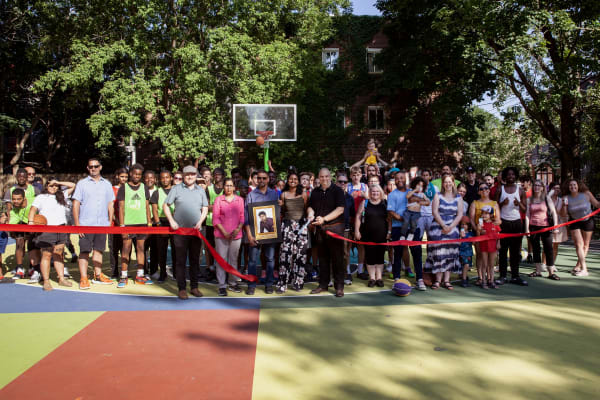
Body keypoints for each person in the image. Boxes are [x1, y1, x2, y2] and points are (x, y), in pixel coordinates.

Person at [163, 165, 209, 299]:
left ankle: (194, 287)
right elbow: (166, 205)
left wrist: (200, 222)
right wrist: (171, 221)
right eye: (187, 174)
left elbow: (205, 207)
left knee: (195, 261)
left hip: (195, 232)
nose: (190, 177)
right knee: (180, 261)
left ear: (196, 176)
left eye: (193, 174)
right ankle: (181, 288)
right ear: (183, 176)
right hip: (180, 233)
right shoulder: (176, 189)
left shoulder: (200, 190)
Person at [72, 158, 115, 289]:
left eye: (96, 166)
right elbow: (76, 204)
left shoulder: (107, 184)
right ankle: (84, 278)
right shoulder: (82, 184)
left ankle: (97, 275)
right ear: (87, 168)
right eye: (91, 166)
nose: (93, 168)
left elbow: (110, 204)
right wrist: (78, 225)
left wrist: (109, 222)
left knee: (99, 251)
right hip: (86, 224)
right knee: (84, 251)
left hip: (102, 224)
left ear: (100, 167)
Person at [27, 178, 75, 291]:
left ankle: (61, 278)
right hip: (47, 230)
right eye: (50, 185)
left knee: (59, 255)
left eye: (55, 186)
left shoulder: (62, 195)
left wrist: (58, 182)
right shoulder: (41, 197)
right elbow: (33, 210)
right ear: (46, 186)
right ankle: (46, 281)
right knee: (46, 255)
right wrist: (31, 223)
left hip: (61, 228)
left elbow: (73, 185)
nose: (53, 187)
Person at [307, 168, 346, 297]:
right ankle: (323, 285)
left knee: (338, 259)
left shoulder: (338, 191)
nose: (324, 179)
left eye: (326, 176)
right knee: (322, 259)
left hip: (335, 229)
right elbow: (310, 206)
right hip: (320, 230)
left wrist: (324, 219)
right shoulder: (315, 192)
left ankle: (339, 286)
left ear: (330, 177)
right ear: (318, 177)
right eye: (321, 177)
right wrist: (311, 214)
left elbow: (340, 209)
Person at [388, 171, 427, 290]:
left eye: (402, 178)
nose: (400, 180)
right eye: (397, 178)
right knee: (398, 253)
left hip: (413, 227)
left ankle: (420, 279)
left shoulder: (413, 192)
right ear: (394, 180)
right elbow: (391, 212)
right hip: (398, 227)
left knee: (417, 252)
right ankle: (397, 278)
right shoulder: (392, 195)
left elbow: (423, 203)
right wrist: (404, 219)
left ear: (406, 179)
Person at [244, 169, 279, 295]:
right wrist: (249, 234)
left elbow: (276, 214)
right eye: (259, 178)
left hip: (270, 232)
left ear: (268, 179)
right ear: (256, 179)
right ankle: (251, 284)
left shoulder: (274, 194)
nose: (262, 180)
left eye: (264, 178)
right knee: (252, 260)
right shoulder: (251, 195)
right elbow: (246, 217)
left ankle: (269, 284)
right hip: (255, 233)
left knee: (270, 258)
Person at [117, 163, 153, 287]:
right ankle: (123, 275)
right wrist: (122, 226)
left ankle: (140, 275)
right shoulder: (124, 188)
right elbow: (121, 208)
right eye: (135, 174)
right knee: (126, 249)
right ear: (130, 174)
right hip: (128, 224)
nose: (137, 176)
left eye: (139, 174)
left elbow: (147, 207)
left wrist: (149, 223)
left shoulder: (144, 187)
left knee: (141, 249)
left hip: (142, 223)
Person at [425, 174, 463, 290]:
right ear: (443, 184)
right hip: (438, 228)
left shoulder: (458, 197)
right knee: (438, 254)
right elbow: (435, 212)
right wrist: (443, 225)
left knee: (450, 254)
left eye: (449, 182)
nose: (448, 184)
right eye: (445, 182)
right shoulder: (438, 196)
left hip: (453, 229)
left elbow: (460, 214)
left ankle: (447, 281)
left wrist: (450, 227)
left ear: (453, 183)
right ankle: (437, 280)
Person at [494, 167, 528, 286]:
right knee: (503, 251)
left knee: (515, 251)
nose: (511, 176)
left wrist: (518, 204)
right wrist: (502, 203)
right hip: (503, 222)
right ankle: (503, 275)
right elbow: (495, 206)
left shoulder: (520, 190)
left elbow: (525, 209)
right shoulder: (500, 189)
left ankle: (515, 276)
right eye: (508, 174)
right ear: (504, 176)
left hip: (516, 223)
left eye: (513, 174)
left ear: (516, 176)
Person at [276, 173, 309, 293]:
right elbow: (283, 211)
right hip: (287, 226)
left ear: (298, 181)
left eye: (295, 179)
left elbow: (305, 210)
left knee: (300, 255)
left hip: (301, 226)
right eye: (291, 179)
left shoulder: (304, 194)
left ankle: (298, 282)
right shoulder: (283, 194)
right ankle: (282, 283)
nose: (293, 181)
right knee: (285, 255)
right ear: (287, 181)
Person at [213, 177, 245, 296]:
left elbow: (242, 216)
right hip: (221, 235)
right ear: (223, 187)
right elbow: (215, 218)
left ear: (234, 187)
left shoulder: (240, 200)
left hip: (236, 235)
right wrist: (224, 232)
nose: (229, 188)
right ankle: (222, 285)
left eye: (231, 185)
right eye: (226, 185)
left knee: (233, 260)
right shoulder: (218, 200)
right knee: (221, 260)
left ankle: (232, 283)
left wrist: (238, 229)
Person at [354, 184, 390, 287]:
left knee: (380, 256)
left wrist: (389, 232)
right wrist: (357, 231)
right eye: (373, 191)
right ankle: (372, 278)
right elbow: (358, 216)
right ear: (370, 192)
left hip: (382, 234)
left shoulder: (385, 203)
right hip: (368, 234)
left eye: (377, 191)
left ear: (380, 193)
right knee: (369, 257)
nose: (375, 193)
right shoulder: (365, 203)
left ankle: (379, 278)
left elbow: (389, 219)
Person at [563, 179, 599, 277]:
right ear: (568, 187)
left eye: (574, 185)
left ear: (578, 186)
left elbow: (596, 204)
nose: (573, 187)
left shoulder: (586, 194)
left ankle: (578, 266)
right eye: (570, 185)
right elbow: (564, 214)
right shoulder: (566, 197)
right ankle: (584, 269)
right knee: (579, 244)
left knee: (585, 245)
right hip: (574, 221)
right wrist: (564, 205)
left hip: (588, 220)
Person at [525, 180, 560, 280]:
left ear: (542, 187)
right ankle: (538, 271)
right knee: (536, 249)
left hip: (546, 226)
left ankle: (551, 273)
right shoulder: (529, 200)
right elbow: (527, 215)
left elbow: (553, 212)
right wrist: (527, 229)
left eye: (538, 185)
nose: (536, 187)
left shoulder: (546, 198)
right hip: (533, 227)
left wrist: (556, 225)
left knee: (548, 248)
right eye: (535, 185)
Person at [469, 182, 501, 286]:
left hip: (491, 234)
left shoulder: (494, 203)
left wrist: (493, 226)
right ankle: (480, 277)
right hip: (479, 233)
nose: (484, 190)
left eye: (486, 188)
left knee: (491, 259)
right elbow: (472, 219)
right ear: (479, 191)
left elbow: (498, 220)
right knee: (480, 255)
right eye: (481, 189)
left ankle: (490, 279)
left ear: (489, 190)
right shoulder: (474, 203)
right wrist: (478, 230)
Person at [150, 170, 175, 283]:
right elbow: (155, 209)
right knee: (161, 250)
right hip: (161, 222)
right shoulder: (157, 192)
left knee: (176, 249)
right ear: (159, 179)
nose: (165, 180)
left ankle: (176, 273)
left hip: (174, 222)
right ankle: (163, 273)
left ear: (171, 178)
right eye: (162, 178)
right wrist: (158, 223)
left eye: (167, 177)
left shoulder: (176, 191)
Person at [348, 166, 368, 279]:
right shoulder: (348, 186)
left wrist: (363, 195)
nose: (356, 177)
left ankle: (360, 271)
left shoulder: (364, 186)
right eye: (354, 175)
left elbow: (370, 198)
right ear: (351, 176)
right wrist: (351, 196)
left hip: (361, 219)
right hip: (350, 218)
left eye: (358, 175)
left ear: (361, 175)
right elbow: (344, 200)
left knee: (361, 246)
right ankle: (348, 272)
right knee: (348, 245)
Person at [110, 168, 128, 278]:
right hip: (114, 225)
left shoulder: (129, 189)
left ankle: (124, 272)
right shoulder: (111, 189)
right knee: (114, 249)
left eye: (126, 177)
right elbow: (110, 207)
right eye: (122, 176)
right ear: (117, 176)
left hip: (127, 225)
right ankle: (114, 272)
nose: (124, 179)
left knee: (125, 249)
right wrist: (116, 220)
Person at [478, 205, 501, 289]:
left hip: (493, 246)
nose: (484, 215)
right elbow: (478, 233)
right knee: (484, 264)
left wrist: (498, 243)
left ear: (491, 215)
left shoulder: (494, 224)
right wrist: (479, 230)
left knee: (491, 264)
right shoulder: (481, 223)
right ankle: (483, 281)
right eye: (483, 213)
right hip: (484, 246)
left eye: (486, 213)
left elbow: (498, 234)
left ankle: (491, 280)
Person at [548, 181, 568, 266]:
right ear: (551, 189)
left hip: (558, 224)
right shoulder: (546, 199)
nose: (556, 190)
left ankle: (552, 264)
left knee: (555, 246)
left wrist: (564, 205)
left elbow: (563, 214)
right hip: (547, 223)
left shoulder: (561, 200)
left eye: (558, 188)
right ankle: (544, 264)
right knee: (547, 245)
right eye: (554, 188)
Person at [143, 170, 158, 277]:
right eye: (147, 178)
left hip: (155, 224)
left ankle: (154, 270)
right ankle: (143, 270)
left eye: (151, 177)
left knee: (155, 247)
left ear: (155, 179)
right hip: (143, 223)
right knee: (142, 247)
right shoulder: (140, 191)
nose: (149, 180)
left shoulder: (159, 191)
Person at [458, 217, 473, 287]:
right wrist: (461, 237)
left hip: (469, 252)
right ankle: (464, 280)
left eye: (465, 224)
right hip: (462, 252)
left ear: (468, 225)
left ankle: (464, 277)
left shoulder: (471, 233)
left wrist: (471, 240)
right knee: (465, 265)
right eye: (462, 224)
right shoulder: (459, 234)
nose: (463, 226)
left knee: (467, 266)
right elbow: (458, 244)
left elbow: (474, 243)